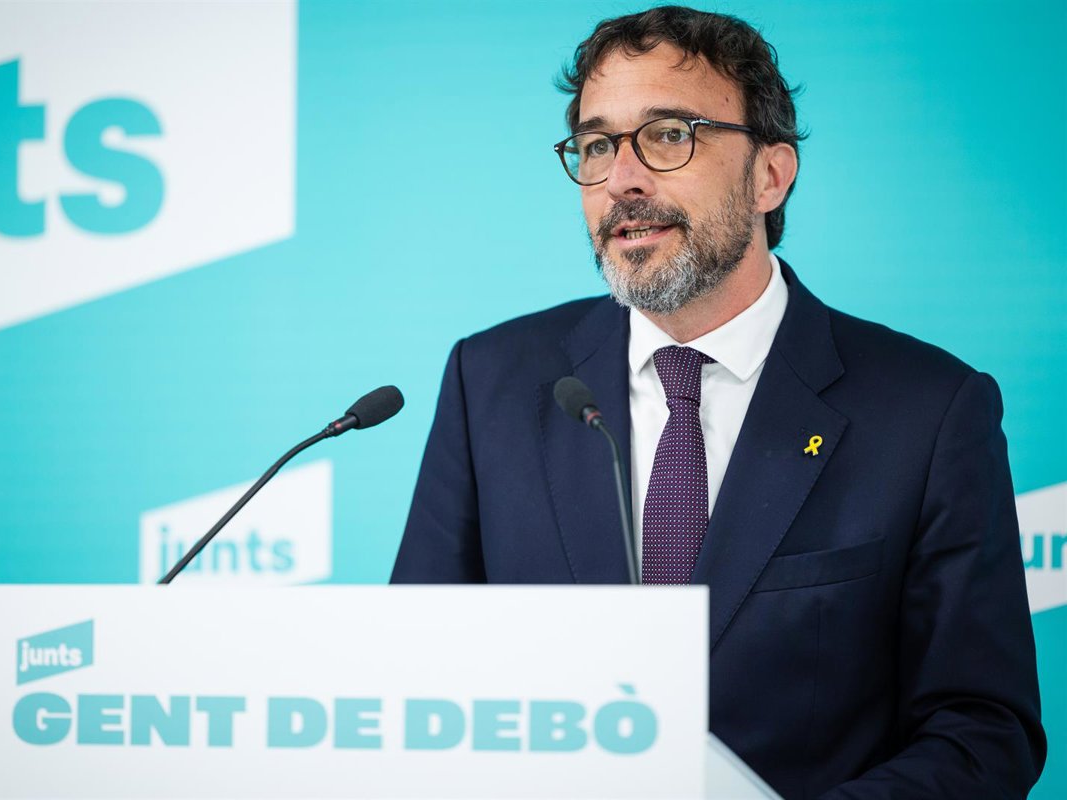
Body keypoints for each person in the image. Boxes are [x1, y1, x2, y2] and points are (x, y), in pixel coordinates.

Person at [390, 5, 1045, 798]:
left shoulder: (929, 412)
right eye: (597, 146)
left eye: (669, 135)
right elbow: (412, 680)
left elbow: (982, 732)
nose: (622, 180)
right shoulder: (490, 380)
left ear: (770, 175)